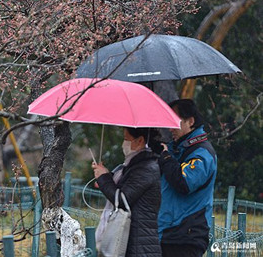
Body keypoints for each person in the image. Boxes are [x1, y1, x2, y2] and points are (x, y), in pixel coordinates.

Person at [157, 99, 217, 257]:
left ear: (191, 121)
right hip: (169, 233)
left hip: (187, 236)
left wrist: (166, 158)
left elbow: (184, 182)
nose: (171, 128)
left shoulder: (202, 153)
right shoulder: (178, 149)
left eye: (175, 122)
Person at [92, 127, 162, 257]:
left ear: (140, 140)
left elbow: (122, 199)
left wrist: (104, 178)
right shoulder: (133, 166)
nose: (123, 144)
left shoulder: (146, 168)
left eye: (126, 139)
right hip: (132, 243)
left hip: (139, 247)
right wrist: (106, 175)